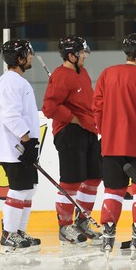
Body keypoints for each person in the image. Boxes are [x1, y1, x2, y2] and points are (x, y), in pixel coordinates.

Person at [92, 33, 136, 259]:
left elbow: (96, 107)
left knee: (113, 190)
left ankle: (108, 236)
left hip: (111, 145)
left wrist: (105, 132)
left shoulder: (107, 73)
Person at [42, 35, 102, 246]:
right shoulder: (60, 75)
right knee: (71, 181)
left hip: (88, 131)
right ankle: (64, 226)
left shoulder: (82, 72)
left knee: (94, 178)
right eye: (82, 52)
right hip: (70, 132)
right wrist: (73, 119)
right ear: (71, 55)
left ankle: (83, 222)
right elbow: (49, 107)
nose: (85, 55)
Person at [0, 39, 42, 254]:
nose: (31, 57)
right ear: (20, 58)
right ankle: (8, 234)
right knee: (19, 190)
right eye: (28, 54)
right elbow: (10, 115)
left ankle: (19, 232)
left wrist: (31, 142)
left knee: (29, 190)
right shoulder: (10, 82)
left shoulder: (18, 81)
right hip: (15, 149)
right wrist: (26, 140)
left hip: (22, 147)